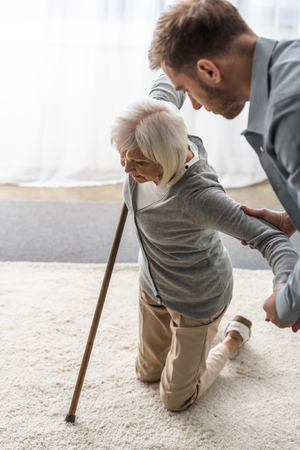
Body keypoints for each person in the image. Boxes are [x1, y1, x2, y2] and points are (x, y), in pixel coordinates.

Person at [110, 74, 298, 411]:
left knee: (174, 400)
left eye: (137, 161)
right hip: (152, 286)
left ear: (169, 154)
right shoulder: (157, 118)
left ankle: (232, 338)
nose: (126, 166)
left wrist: (285, 286)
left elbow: (271, 236)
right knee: (147, 374)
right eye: (123, 154)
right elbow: (170, 77)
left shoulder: (199, 198)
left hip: (196, 300)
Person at [148, 0, 300, 330]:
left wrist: (289, 300)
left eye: (187, 89)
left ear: (209, 71)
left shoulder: (289, 113)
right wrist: (292, 216)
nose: (196, 105)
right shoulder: (292, 60)